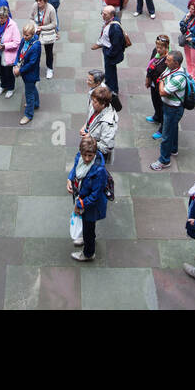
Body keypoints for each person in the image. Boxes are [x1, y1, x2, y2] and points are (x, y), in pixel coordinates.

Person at [67, 133, 109, 262]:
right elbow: (75, 168)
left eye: (90, 156)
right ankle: (86, 239)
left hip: (91, 206)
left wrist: (80, 205)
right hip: (82, 199)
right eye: (84, 154)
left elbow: (95, 195)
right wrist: (69, 179)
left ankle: (88, 253)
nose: (86, 158)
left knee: (89, 228)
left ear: (95, 153)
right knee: (87, 226)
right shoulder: (80, 156)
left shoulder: (99, 170)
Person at [150, 50, 188, 171]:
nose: (165, 62)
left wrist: (161, 82)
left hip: (173, 109)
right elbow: (162, 76)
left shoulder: (178, 78)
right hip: (169, 107)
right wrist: (162, 80)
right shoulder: (171, 69)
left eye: (168, 60)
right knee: (173, 128)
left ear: (176, 63)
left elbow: (162, 91)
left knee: (166, 135)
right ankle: (173, 149)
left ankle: (164, 160)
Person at [92, 5, 126, 94]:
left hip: (111, 54)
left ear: (112, 15)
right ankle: (109, 86)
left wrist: (108, 54)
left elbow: (116, 46)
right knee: (110, 71)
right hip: (108, 50)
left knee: (110, 72)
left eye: (105, 14)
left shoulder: (115, 28)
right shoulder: (109, 21)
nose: (103, 16)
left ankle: (112, 90)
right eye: (102, 13)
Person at [14, 20, 42, 124]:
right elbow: (19, 52)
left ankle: (28, 115)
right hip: (23, 70)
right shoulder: (23, 40)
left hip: (30, 73)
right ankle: (36, 103)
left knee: (29, 94)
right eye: (24, 34)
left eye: (27, 35)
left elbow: (32, 63)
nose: (24, 37)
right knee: (32, 88)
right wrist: (16, 63)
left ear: (33, 34)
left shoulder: (36, 46)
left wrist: (19, 71)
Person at [144, 34, 171, 139]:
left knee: (163, 107)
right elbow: (150, 66)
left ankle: (162, 129)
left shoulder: (168, 59)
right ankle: (157, 116)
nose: (158, 50)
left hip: (161, 87)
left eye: (161, 48)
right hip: (153, 83)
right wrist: (148, 78)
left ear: (166, 47)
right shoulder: (155, 52)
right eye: (157, 46)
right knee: (155, 101)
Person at [82, 84, 118, 160]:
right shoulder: (95, 106)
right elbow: (90, 120)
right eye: (92, 100)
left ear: (103, 104)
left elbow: (106, 148)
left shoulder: (108, 123)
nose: (92, 103)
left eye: (95, 102)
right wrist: (85, 126)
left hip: (97, 154)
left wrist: (90, 140)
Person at [31, 0, 59, 80]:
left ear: (45, 0)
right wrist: (35, 26)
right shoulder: (35, 6)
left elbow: (54, 24)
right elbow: (31, 18)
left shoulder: (51, 9)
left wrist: (42, 28)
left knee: (49, 52)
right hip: (36, 32)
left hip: (47, 33)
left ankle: (50, 69)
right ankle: (35, 68)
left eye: (40, 0)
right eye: (37, 0)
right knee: (35, 51)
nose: (38, 2)